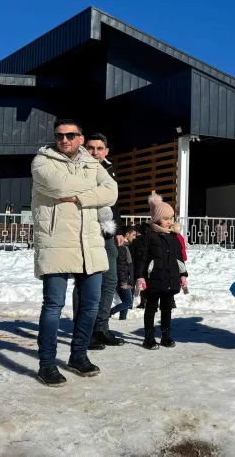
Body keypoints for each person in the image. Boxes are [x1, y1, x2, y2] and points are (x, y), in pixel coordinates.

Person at [33, 119, 118, 386]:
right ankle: (46, 364)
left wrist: (82, 197)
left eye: (70, 135)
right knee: (53, 306)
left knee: (91, 304)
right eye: (60, 135)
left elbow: (112, 192)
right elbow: (60, 187)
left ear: (80, 138)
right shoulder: (42, 162)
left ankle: (78, 355)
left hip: (90, 241)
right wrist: (94, 192)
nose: (64, 140)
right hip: (56, 240)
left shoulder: (93, 164)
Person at [81, 133, 126, 349]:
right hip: (88, 232)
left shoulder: (110, 171)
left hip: (108, 234)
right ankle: (84, 331)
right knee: (85, 283)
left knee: (109, 283)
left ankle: (101, 328)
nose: (95, 152)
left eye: (100, 148)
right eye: (91, 148)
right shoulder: (78, 170)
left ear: (106, 151)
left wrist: (118, 230)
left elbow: (114, 203)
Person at [134, 195, 187, 350]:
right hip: (153, 279)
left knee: (167, 308)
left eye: (171, 218)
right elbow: (141, 259)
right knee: (151, 308)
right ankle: (149, 338)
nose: (169, 222)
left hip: (170, 279)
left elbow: (179, 259)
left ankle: (165, 335)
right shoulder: (148, 237)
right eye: (165, 218)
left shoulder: (173, 237)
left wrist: (183, 274)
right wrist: (139, 276)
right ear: (156, 219)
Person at [110, 225, 138, 320]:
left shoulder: (127, 246)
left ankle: (123, 319)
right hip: (123, 279)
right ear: (127, 234)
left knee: (125, 300)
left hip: (127, 278)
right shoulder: (122, 247)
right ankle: (108, 313)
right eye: (133, 235)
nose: (134, 237)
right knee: (128, 302)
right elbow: (121, 266)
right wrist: (123, 281)